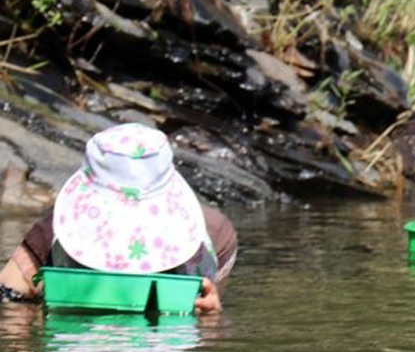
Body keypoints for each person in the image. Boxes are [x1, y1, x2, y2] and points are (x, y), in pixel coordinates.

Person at [0, 123, 237, 314]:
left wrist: (209, 320)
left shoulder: (212, 237)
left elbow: (208, 324)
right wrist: (39, 309)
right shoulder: (51, 236)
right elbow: (8, 307)